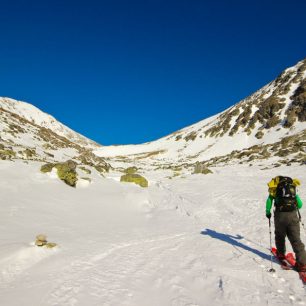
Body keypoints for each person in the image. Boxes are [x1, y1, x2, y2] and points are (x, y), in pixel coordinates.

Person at [266, 176, 306, 272]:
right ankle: (303, 264)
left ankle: (280, 253)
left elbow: (269, 200)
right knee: (296, 239)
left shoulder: (275, 188)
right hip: (293, 216)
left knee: (280, 236)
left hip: (280, 216)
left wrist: (268, 211)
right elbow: (300, 205)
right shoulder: (292, 189)